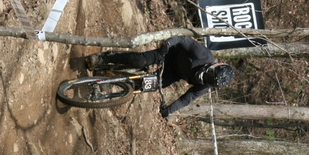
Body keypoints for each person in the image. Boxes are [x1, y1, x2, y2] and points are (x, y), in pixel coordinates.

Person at [86, 37, 235, 117]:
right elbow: (184, 40)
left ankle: (113, 80)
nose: (205, 80)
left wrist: (170, 110)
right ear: (214, 66)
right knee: (140, 61)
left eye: (208, 81)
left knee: (147, 85)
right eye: (208, 76)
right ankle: (104, 58)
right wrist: (168, 44)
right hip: (169, 54)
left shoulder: (204, 86)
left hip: (173, 73)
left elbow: (187, 99)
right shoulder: (203, 55)